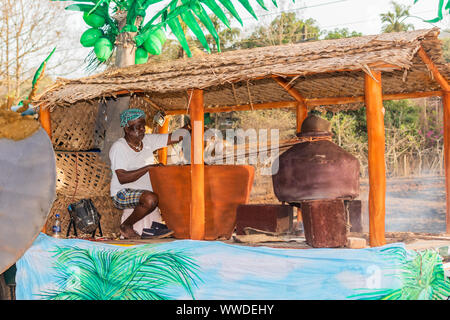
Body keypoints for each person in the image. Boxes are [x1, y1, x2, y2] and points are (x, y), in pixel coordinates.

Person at [109, 108, 189, 239]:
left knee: (173, 193)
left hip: (143, 193)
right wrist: (148, 168)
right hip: (121, 193)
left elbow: (173, 137)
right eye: (137, 127)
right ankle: (126, 226)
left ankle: (162, 228)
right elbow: (122, 178)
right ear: (127, 129)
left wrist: (189, 127)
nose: (142, 130)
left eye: (143, 126)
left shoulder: (147, 141)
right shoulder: (119, 147)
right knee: (150, 199)